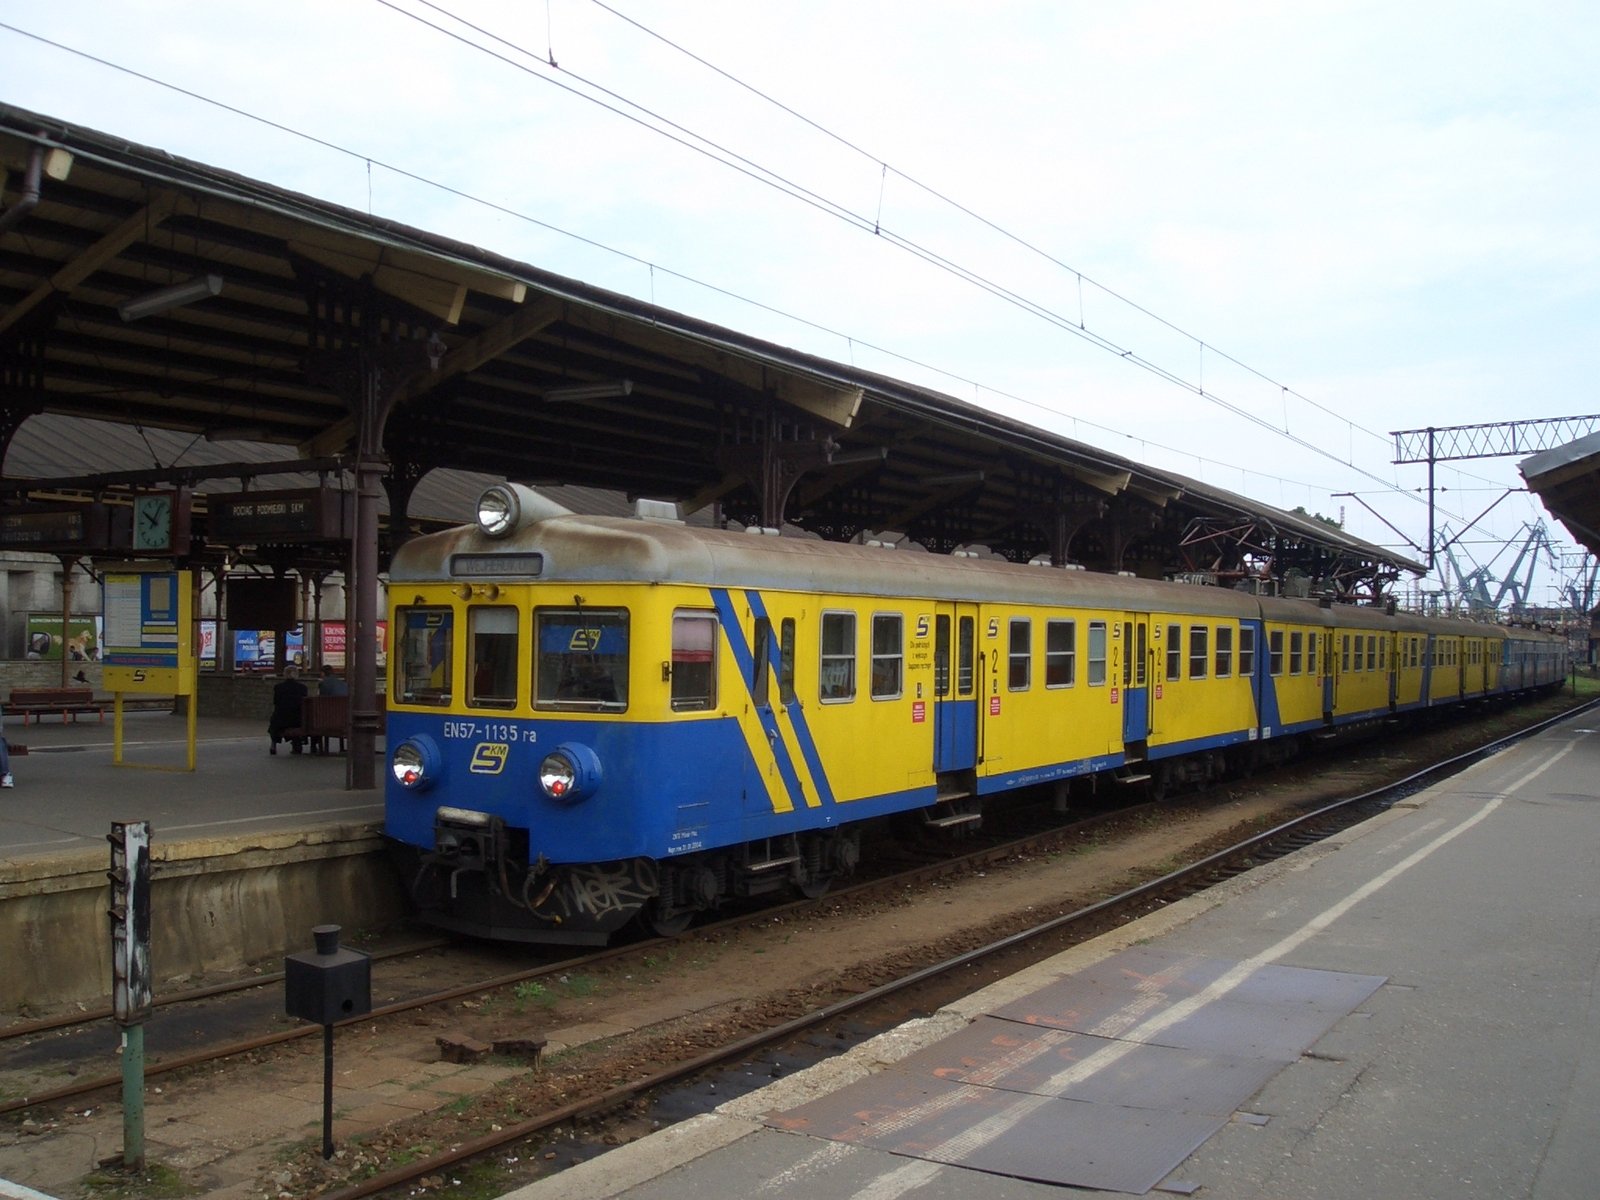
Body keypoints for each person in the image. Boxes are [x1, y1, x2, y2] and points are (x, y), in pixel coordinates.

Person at [268, 666, 309, 755]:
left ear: (285, 674)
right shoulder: (303, 688)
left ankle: (274, 743)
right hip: (298, 719)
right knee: (296, 718)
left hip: (281, 719)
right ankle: (297, 743)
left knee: (274, 721)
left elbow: (276, 702)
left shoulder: (278, 687)